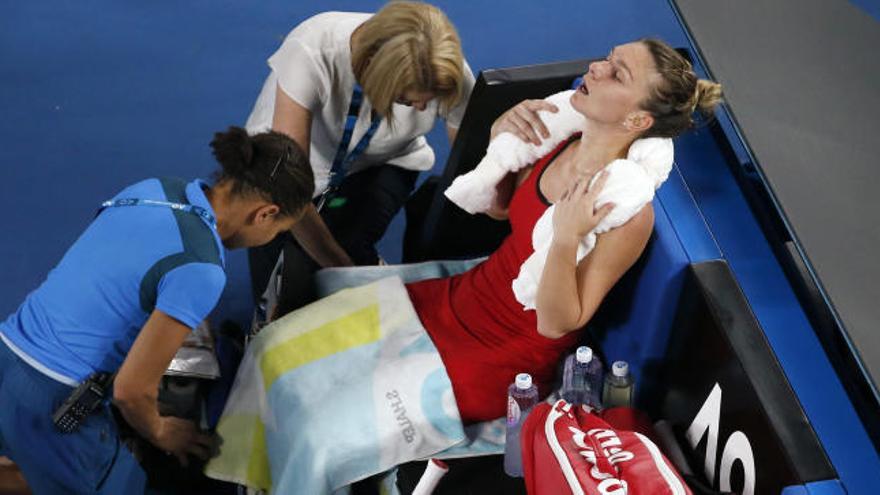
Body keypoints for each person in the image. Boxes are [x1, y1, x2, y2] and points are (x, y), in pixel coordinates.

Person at [404, 38, 723, 422]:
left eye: (616, 74)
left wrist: (567, 237)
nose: (595, 68)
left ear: (638, 121)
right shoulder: (563, 138)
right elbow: (502, 213)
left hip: (504, 354)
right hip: (468, 295)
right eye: (608, 58)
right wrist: (499, 138)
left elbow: (556, 324)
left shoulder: (628, 216)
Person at [0, 127, 314, 494]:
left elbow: (114, 272)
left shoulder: (154, 189)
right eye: (280, 229)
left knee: (33, 458)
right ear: (265, 214)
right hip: (53, 401)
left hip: (7, 354)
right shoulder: (202, 270)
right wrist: (164, 433)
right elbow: (130, 391)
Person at [245, 1, 475, 313]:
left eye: (429, 100)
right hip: (279, 170)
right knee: (284, 288)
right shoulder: (312, 49)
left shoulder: (441, 65)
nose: (422, 109)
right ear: (372, 71)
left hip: (383, 163)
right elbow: (288, 187)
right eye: (405, 100)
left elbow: (473, 163)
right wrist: (347, 272)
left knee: (339, 249)